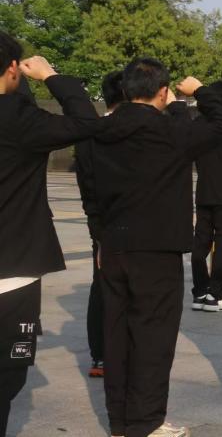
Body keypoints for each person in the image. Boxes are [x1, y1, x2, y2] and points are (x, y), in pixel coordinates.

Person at [92, 58, 222, 437]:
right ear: (162, 90)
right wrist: (197, 92)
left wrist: (100, 237)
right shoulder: (171, 131)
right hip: (156, 248)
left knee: (117, 335)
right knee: (153, 337)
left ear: (125, 90)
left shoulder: (101, 130)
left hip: (114, 244)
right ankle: (147, 421)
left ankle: (120, 421)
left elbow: (91, 189)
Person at [0, 32, 102, 436]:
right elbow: (86, 122)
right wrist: (51, 77)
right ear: (13, 67)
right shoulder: (18, 119)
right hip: (12, 270)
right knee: (7, 375)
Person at [74, 71, 125, 379]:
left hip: (101, 223)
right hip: (122, 225)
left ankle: (101, 356)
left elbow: (87, 187)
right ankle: (110, 354)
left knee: (102, 285)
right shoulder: (128, 132)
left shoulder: (89, 135)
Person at [190, 80, 222, 312]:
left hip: (204, 190)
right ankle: (215, 293)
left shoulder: (197, 125)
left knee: (200, 241)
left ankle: (200, 290)